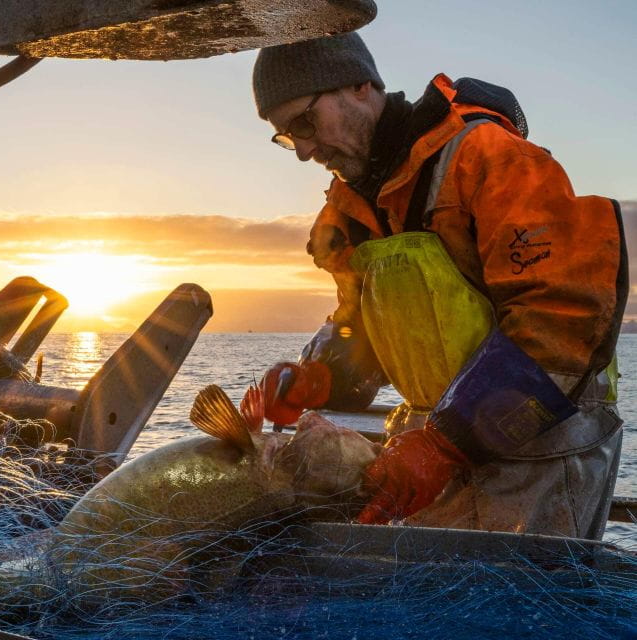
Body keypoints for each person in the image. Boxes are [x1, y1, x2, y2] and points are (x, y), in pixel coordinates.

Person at [247, 32, 627, 540]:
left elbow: (562, 318)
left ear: (361, 87)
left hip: (540, 449)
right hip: (428, 446)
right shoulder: (349, 210)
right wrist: (322, 377)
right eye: (288, 136)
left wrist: (447, 444)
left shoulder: (489, 158)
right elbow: (361, 327)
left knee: (520, 613)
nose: (304, 151)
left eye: (305, 122)